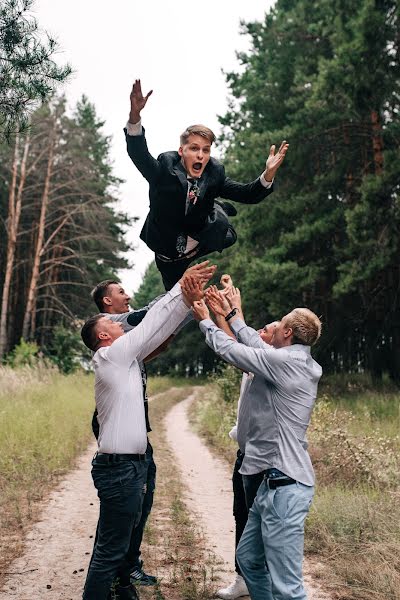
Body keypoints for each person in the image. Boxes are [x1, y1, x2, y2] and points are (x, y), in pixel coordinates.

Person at [81, 263, 214, 600]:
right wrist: (179, 288)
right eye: (112, 322)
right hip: (120, 469)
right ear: (103, 335)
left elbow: (158, 331)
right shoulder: (111, 356)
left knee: (119, 545)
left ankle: (122, 593)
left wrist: (185, 301)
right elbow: (150, 323)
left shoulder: (124, 357)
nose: (118, 323)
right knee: (110, 552)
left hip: (132, 465)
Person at [192, 289, 322, 600]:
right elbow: (252, 342)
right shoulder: (290, 359)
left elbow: (233, 350)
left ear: (287, 332)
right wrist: (233, 313)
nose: (271, 331)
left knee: (287, 588)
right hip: (271, 484)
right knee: (250, 558)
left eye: (277, 327)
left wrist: (207, 322)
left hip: (285, 487)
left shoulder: (287, 363)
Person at [124, 79, 289, 290]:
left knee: (229, 236)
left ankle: (215, 208)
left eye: (206, 150)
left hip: (200, 237)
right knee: (177, 305)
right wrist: (134, 116)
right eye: (194, 149)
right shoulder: (163, 171)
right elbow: (138, 153)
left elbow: (248, 194)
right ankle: (213, 205)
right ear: (182, 151)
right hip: (168, 254)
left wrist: (268, 173)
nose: (200, 155)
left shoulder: (213, 174)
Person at [89, 279, 167, 587]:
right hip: (118, 444)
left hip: (136, 438)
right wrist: (181, 293)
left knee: (137, 506)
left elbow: (158, 340)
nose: (128, 296)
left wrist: (188, 310)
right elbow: (148, 319)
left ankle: (126, 570)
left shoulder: (124, 339)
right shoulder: (112, 334)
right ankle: (115, 574)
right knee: (119, 517)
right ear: (107, 303)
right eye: (121, 292)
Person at [205, 281, 278, 599]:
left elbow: (236, 343)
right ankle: (244, 578)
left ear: (279, 338)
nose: (259, 329)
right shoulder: (256, 360)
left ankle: (268, 582)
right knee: (242, 516)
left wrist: (224, 312)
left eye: (266, 328)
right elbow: (234, 346)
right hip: (245, 454)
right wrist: (222, 312)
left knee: (262, 523)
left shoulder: (273, 361)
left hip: (264, 460)